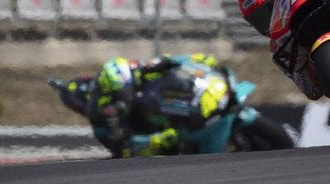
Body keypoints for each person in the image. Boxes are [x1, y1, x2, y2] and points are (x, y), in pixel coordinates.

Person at [86, 53, 236, 157]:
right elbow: (124, 148)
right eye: (123, 92)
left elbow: (170, 60)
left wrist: (199, 59)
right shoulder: (109, 109)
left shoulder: (140, 72)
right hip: (153, 134)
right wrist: (157, 140)